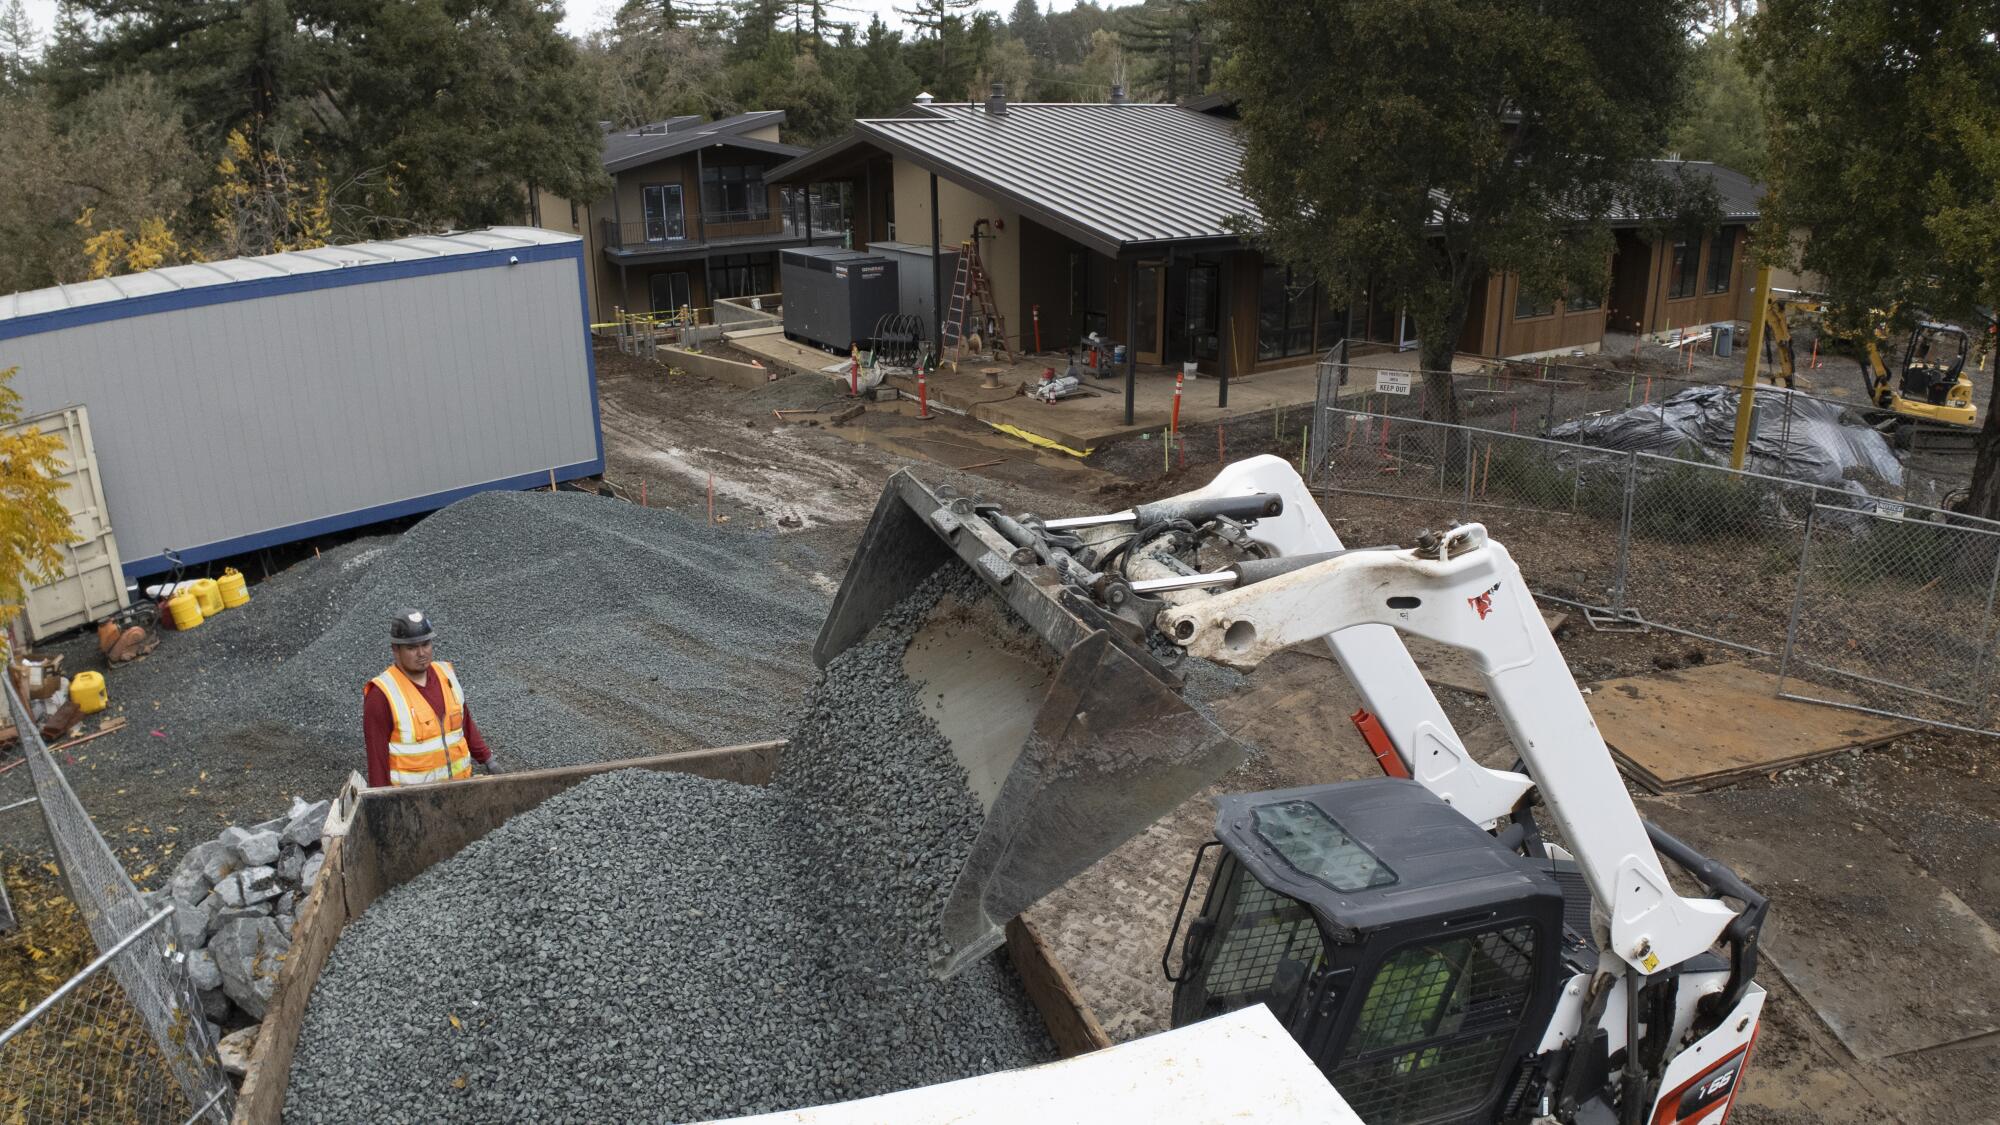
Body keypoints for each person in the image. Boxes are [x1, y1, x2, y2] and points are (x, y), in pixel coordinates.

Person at [362, 609, 494, 787]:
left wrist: (487, 759)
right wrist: (381, 802)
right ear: (395, 649)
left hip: (461, 792)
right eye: (411, 647)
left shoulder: (447, 676)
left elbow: (465, 724)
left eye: (425, 644)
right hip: (413, 803)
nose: (421, 653)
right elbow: (377, 759)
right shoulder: (382, 695)